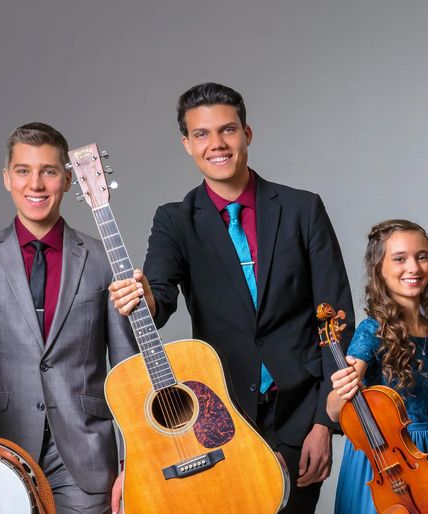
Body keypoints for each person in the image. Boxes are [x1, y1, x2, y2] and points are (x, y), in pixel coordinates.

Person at [107, 82, 354, 513]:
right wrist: (143, 296)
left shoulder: (302, 209)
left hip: (298, 416)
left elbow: (336, 317)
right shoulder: (175, 221)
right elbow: (158, 302)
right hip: (220, 419)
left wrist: (324, 422)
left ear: (247, 134)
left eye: (227, 130)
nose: (216, 144)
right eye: (201, 134)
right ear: (186, 144)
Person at [0, 122, 137, 513]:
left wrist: (134, 462)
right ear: (7, 178)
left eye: (49, 171)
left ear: (67, 180)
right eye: (23, 171)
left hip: (87, 456)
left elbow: (127, 372)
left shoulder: (104, 259)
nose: (35, 184)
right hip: (4, 450)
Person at [329, 219, 428, 514]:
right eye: (400, 259)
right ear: (380, 270)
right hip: (384, 466)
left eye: (421, 256)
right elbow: (335, 411)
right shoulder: (372, 331)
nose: (413, 267)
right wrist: (341, 391)